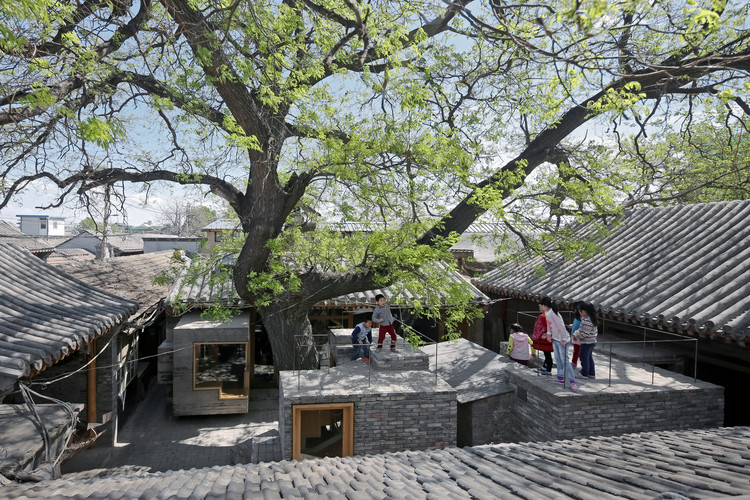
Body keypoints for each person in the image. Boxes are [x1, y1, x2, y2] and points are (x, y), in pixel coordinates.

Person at [539, 296, 578, 392]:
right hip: (556, 339)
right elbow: (549, 325)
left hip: (562, 340)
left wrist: (564, 339)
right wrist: (548, 334)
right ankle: (560, 377)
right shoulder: (548, 313)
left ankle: (573, 381)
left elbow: (561, 326)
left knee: (565, 360)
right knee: (558, 359)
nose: (540, 307)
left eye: (541, 305)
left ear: (544, 306)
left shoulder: (553, 313)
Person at [574, 302, 598, 379]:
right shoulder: (591, 319)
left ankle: (584, 373)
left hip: (587, 342)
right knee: (589, 357)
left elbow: (584, 333)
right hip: (591, 341)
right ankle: (591, 373)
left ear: (583, 311)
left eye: (580, 311)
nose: (580, 313)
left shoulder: (587, 321)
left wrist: (576, 335)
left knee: (584, 357)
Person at [532, 306, 554, 375]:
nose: (540, 309)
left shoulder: (542, 317)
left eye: (540, 307)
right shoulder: (552, 316)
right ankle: (544, 367)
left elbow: (540, 328)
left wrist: (537, 336)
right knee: (547, 354)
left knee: (547, 354)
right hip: (551, 337)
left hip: (545, 338)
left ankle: (548, 370)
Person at [569, 301, 583, 368]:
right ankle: (575, 362)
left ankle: (574, 362)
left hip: (578, 336)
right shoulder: (577, 317)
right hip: (575, 335)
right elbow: (576, 325)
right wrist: (572, 326)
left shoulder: (581, 317)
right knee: (577, 350)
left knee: (577, 351)